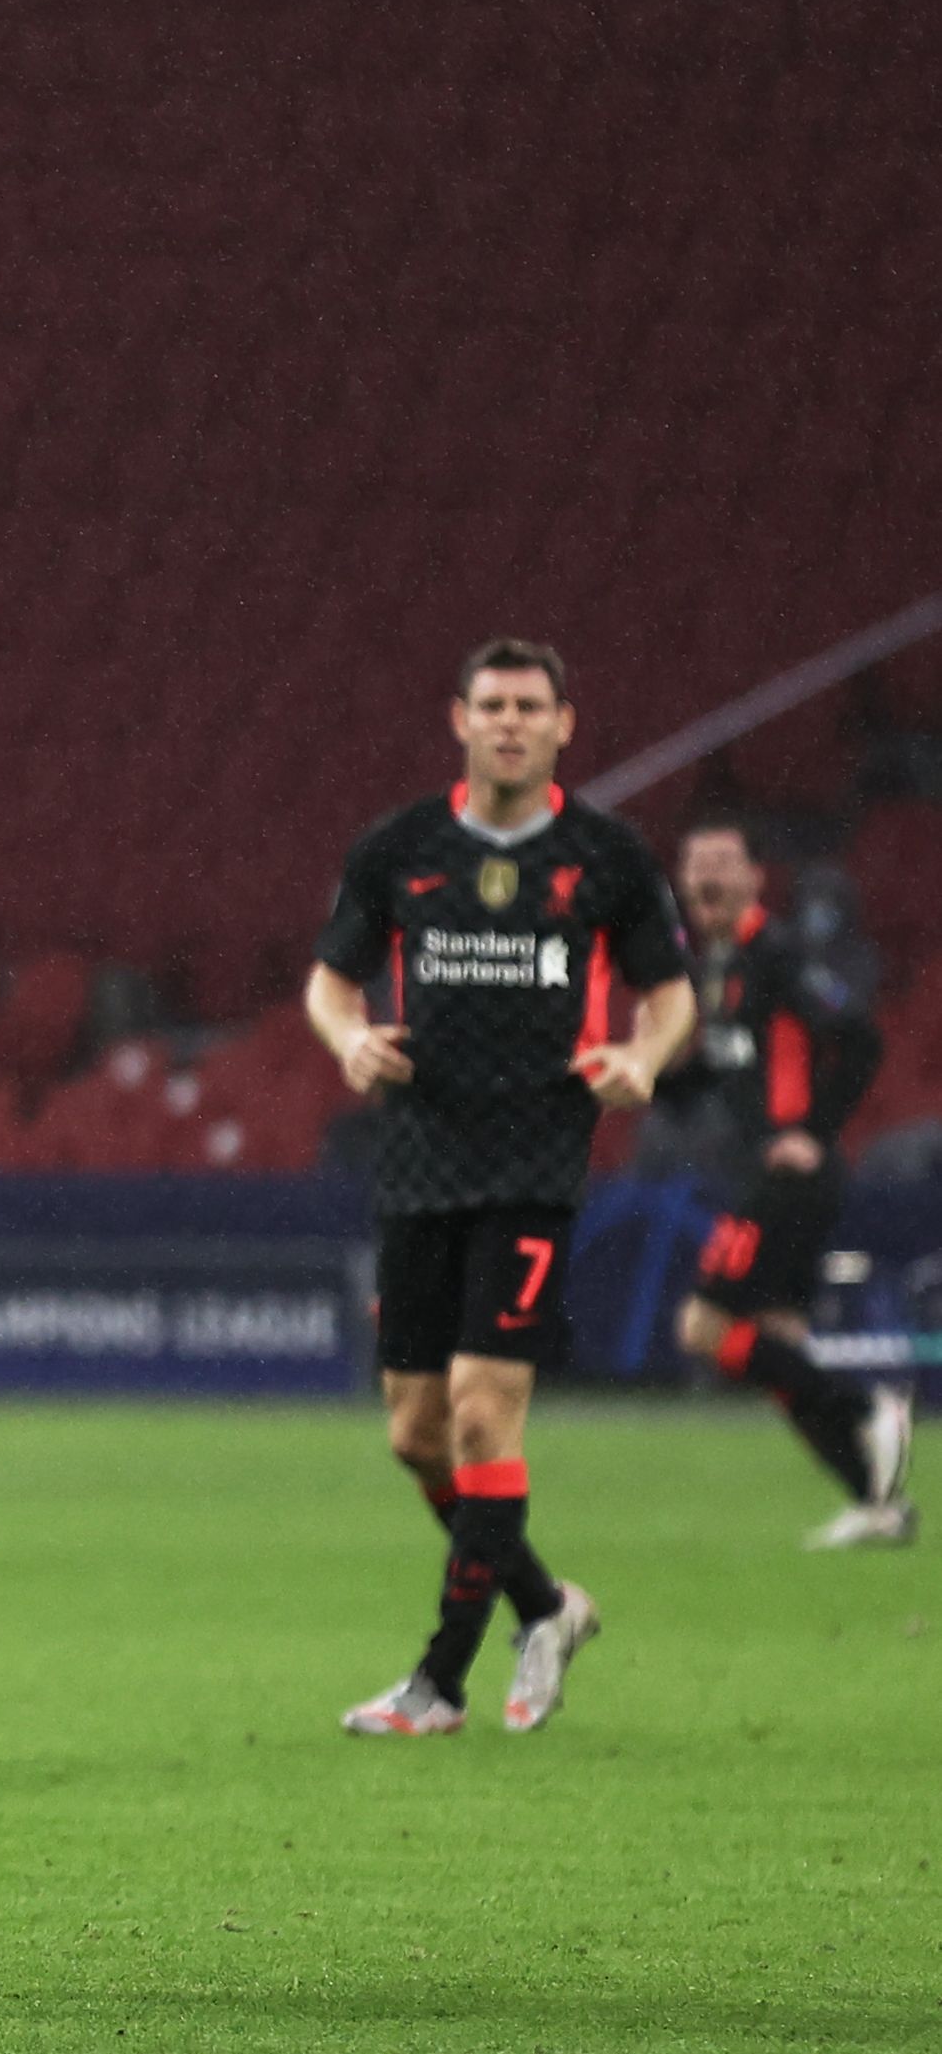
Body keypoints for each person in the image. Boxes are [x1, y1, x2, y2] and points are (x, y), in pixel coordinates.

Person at [305, 638, 694, 1736]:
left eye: (530, 706)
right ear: (459, 719)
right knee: (415, 1433)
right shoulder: (399, 848)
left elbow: (670, 997)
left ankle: (439, 1682)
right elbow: (329, 982)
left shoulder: (605, 855)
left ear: (564, 724)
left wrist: (643, 1058)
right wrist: (347, 1038)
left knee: (482, 1412)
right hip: (419, 1163)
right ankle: (545, 1605)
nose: (510, 722)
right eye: (492, 705)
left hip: (532, 1161)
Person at [658, 818, 911, 1546]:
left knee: (703, 1327)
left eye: (722, 862)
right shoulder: (719, 964)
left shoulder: (776, 952)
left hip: (789, 1179)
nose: (707, 875)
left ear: (753, 878)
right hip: (768, 1174)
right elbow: (721, 1069)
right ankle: (875, 1502)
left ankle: (867, 1408)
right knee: (779, 1345)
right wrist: (645, 1079)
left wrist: (814, 1130)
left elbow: (859, 1038)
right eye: (696, 863)